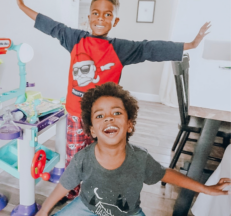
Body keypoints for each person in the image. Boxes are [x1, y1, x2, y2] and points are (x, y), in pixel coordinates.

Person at [15, 0, 211, 200]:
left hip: (102, 119)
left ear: (115, 20)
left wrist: (189, 45)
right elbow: (51, 26)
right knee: (76, 159)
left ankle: (94, 193)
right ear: (88, 17)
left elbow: (150, 48)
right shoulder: (75, 39)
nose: (101, 18)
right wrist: (21, 5)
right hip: (75, 115)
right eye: (96, 13)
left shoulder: (120, 48)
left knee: (100, 160)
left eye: (107, 15)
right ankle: (73, 196)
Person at [36, 82, 231, 216]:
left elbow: (166, 175)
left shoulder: (140, 158)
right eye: (100, 116)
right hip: (87, 208)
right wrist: (44, 210)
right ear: (92, 130)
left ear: (129, 124)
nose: (109, 118)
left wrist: (205, 189)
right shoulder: (82, 159)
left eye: (116, 113)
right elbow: (65, 185)